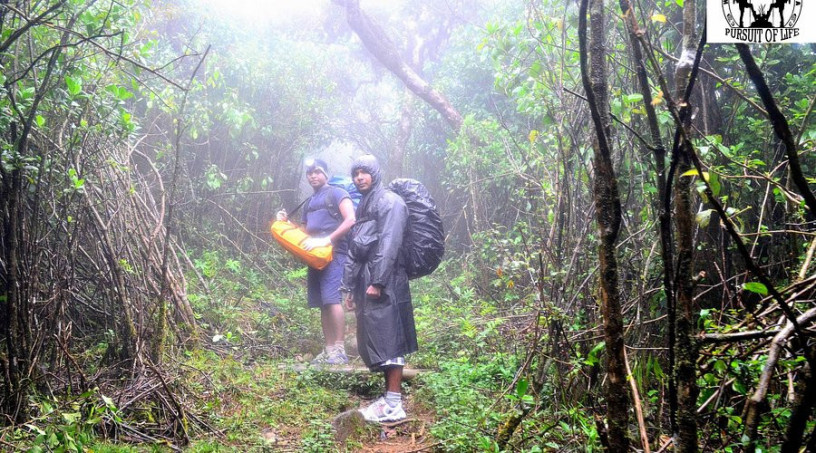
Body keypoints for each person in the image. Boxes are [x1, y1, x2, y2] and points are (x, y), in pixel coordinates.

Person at [341, 154, 417, 423]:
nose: (359, 177)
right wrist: (349, 287)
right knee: (378, 339)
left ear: (375, 173)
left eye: (364, 172)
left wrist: (378, 281)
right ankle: (389, 399)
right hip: (368, 281)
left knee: (391, 339)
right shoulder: (365, 204)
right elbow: (356, 247)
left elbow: (389, 243)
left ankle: (394, 404)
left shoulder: (389, 202)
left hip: (386, 283)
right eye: (356, 173)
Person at [277, 158, 356, 365]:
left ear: (326, 174)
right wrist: (286, 224)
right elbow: (304, 232)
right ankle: (329, 349)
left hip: (335, 253)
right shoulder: (309, 202)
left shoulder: (337, 193)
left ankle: (339, 349)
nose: (313, 176)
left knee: (332, 299)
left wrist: (328, 239)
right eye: (309, 173)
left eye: (317, 172)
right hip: (315, 257)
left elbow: (350, 219)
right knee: (322, 303)